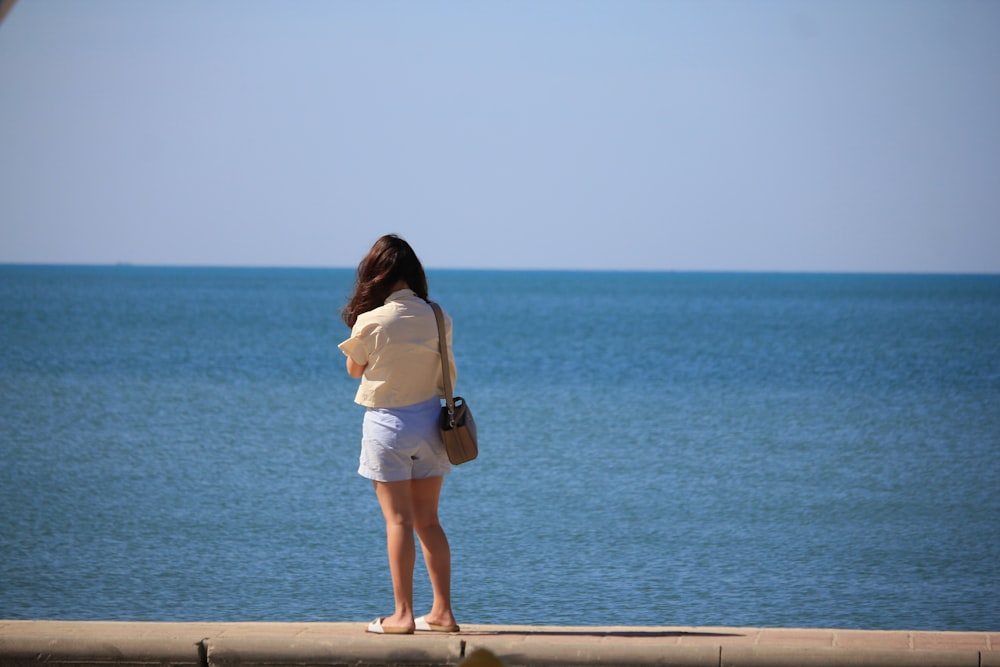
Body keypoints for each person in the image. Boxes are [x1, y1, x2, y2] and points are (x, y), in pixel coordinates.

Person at [338, 234, 461, 635]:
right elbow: (448, 375)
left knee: (397, 522)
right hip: (430, 422)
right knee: (429, 521)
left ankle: (402, 615)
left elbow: (354, 370)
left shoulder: (371, 320)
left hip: (389, 425)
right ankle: (442, 613)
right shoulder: (437, 315)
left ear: (376, 274)